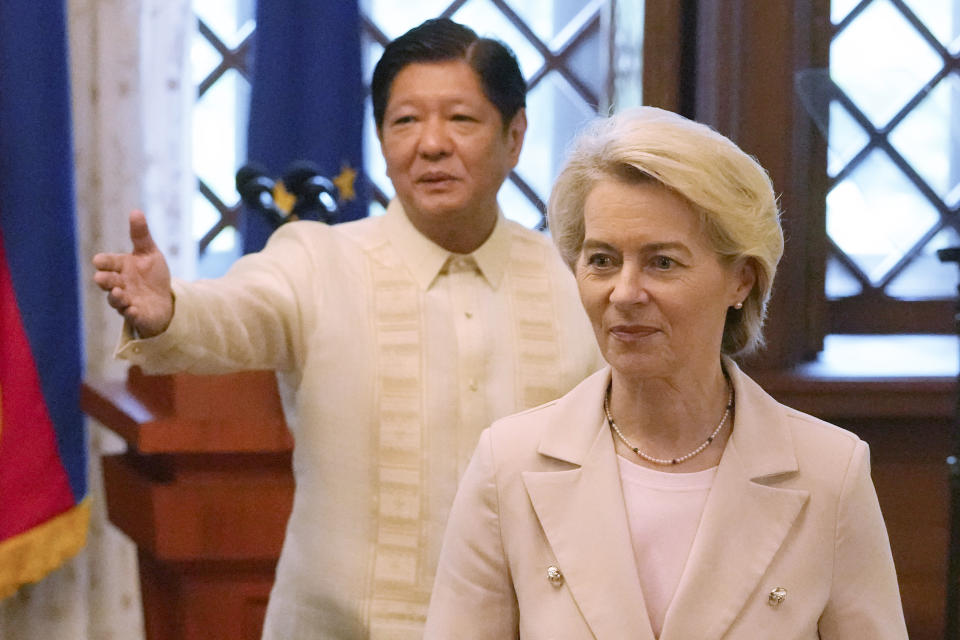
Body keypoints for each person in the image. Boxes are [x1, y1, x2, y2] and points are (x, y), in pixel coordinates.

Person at [92, 18, 601, 640]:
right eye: (405, 121)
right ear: (381, 142)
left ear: (515, 136)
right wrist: (169, 308)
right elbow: (236, 312)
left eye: (461, 120)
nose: (431, 144)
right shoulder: (317, 259)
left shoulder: (579, 281)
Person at [424, 106, 908, 639]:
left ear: (740, 280)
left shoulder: (829, 473)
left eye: (663, 262)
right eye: (603, 260)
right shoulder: (508, 464)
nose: (626, 293)